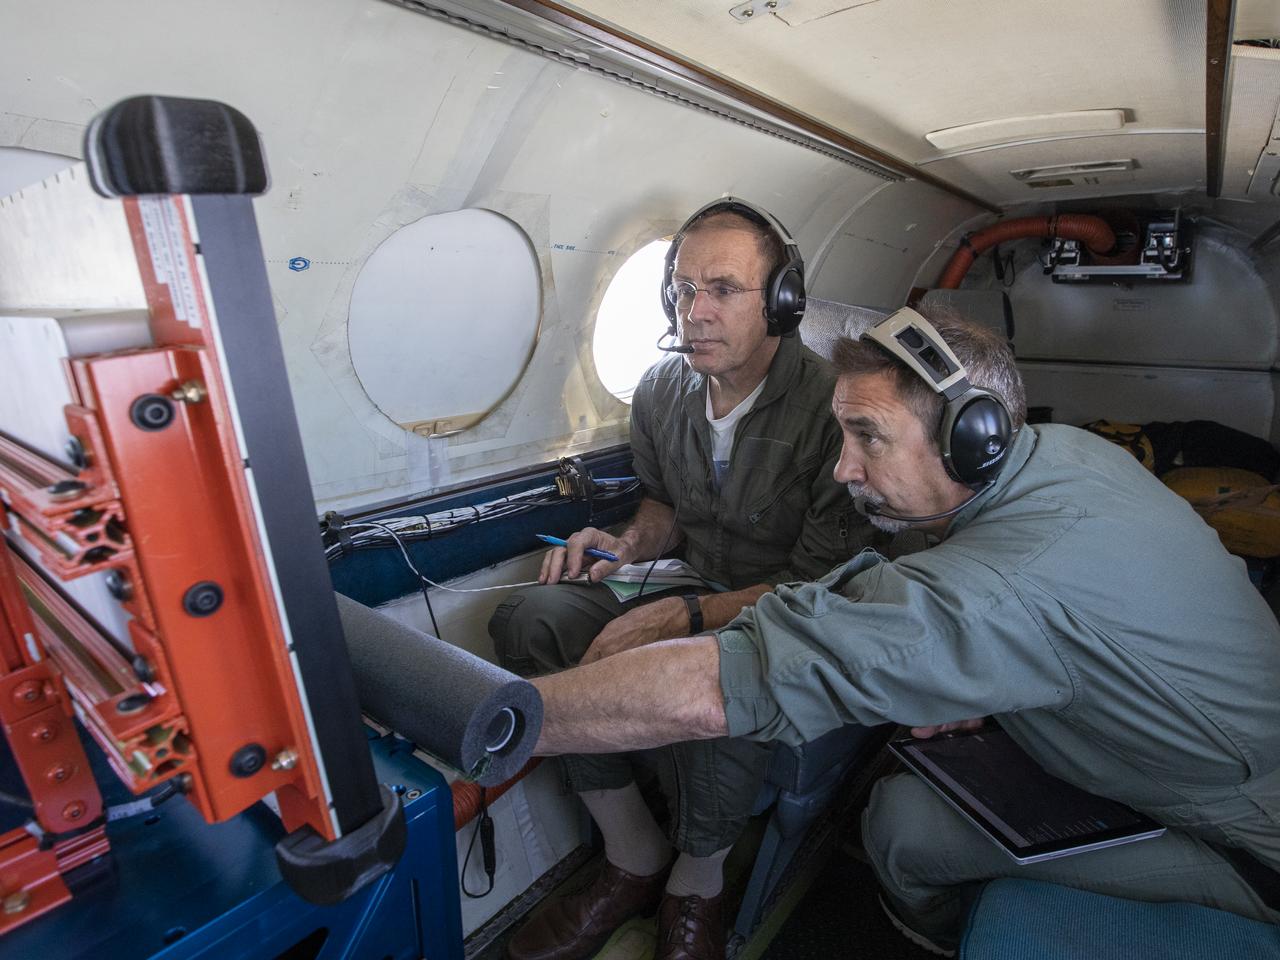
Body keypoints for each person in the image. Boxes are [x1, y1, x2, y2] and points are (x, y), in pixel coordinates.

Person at [528, 306, 1280, 956]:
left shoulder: (996, 587)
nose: (842, 470)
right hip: (1164, 752)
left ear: (972, 438)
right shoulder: (1063, 455)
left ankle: (951, 938)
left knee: (899, 831)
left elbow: (716, 686)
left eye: (868, 437)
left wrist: (505, 721)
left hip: (1241, 838)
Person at [490, 198, 875, 960]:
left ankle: (698, 884)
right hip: (687, 579)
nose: (694, 312)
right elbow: (664, 503)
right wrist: (625, 545)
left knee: (709, 673)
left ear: (782, 301)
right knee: (528, 621)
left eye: (723, 289)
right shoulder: (663, 388)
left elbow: (821, 582)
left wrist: (678, 623)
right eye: (681, 288)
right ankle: (632, 855)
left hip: (785, 608)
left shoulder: (833, 408)